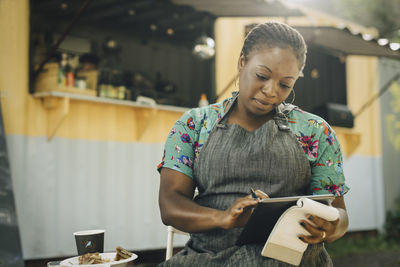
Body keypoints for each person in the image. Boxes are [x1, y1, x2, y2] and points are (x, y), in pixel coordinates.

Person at [157, 21, 349, 267]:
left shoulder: (315, 131)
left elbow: (339, 214)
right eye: (262, 76)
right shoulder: (194, 125)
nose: (270, 91)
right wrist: (224, 217)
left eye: (285, 85)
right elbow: (170, 205)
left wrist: (328, 228)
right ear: (242, 62)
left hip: (287, 260)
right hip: (207, 259)